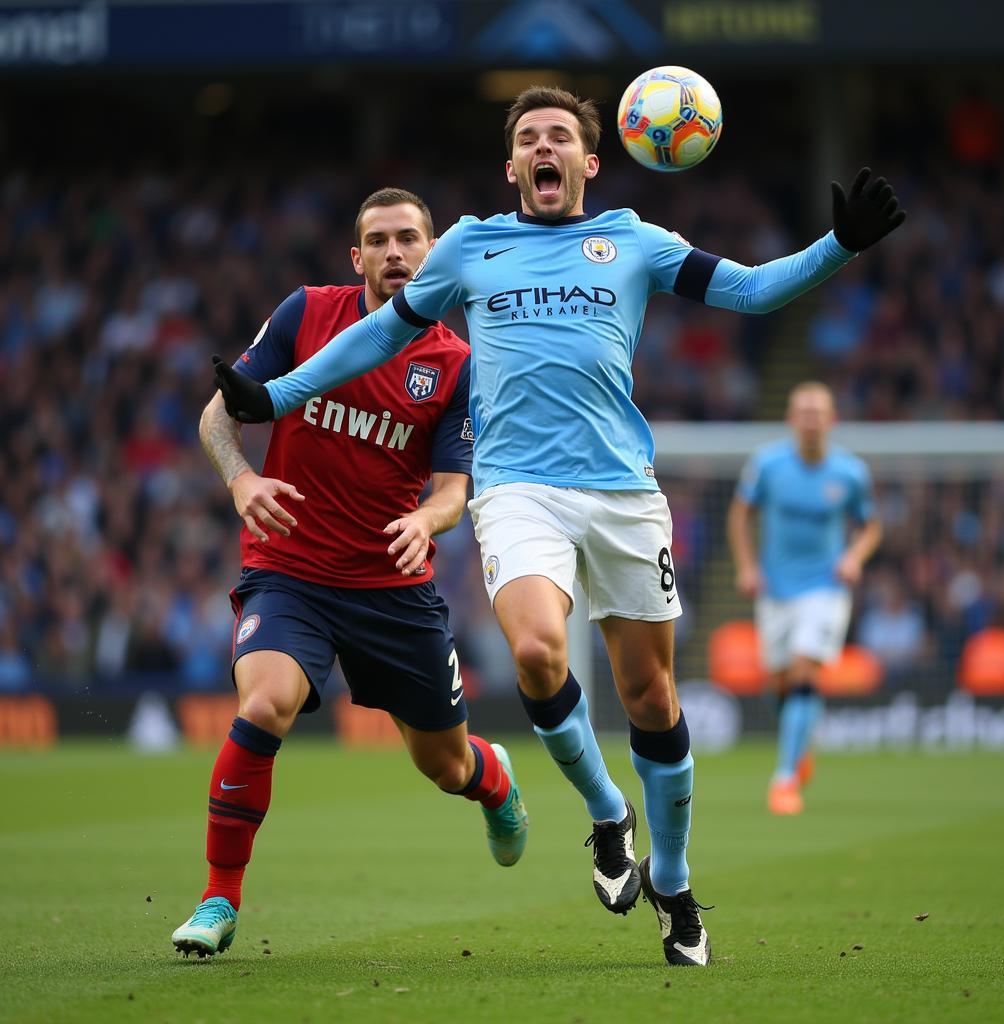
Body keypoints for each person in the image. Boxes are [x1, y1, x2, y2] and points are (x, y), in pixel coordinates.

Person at [212, 87, 905, 967]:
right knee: (539, 651)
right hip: (517, 490)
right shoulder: (469, 245)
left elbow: (755, 291)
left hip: (622, 493)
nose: (545, 149)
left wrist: (839, 246)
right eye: (529, 139)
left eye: (560, 139)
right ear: (514, 168)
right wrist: (275, 396)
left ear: (589, 161)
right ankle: (607, 812)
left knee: (652, 697)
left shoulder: (637, 241)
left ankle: (677, 880)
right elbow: (380, 335)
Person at [171, 188, 528, 959]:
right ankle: (217, 900)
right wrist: (240, 480)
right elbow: (218, 412)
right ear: (356, 256)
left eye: (409, 239)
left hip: (391, 588)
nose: (395, 252)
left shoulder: (455, 362)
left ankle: (492, 780)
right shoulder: (305, 315)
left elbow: (454, 491)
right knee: (264, 704)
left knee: (444, 764)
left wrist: (422, 523)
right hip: (290, 571)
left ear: (433, 254)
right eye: (379, 240)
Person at [727, 382, 882, 815]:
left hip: (825, 588)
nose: (811, 419)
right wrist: (746, 567)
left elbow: (871, 526)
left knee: (802, 672)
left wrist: (853, 556)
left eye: (819, 412)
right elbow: (740, 515)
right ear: (791, 419)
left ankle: (784, 779)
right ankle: (800, 747)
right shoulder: (768, 464)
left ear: (832, 420)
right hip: (776, 590)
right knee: (777, 685)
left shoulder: (849, 473)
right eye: (803, 411)